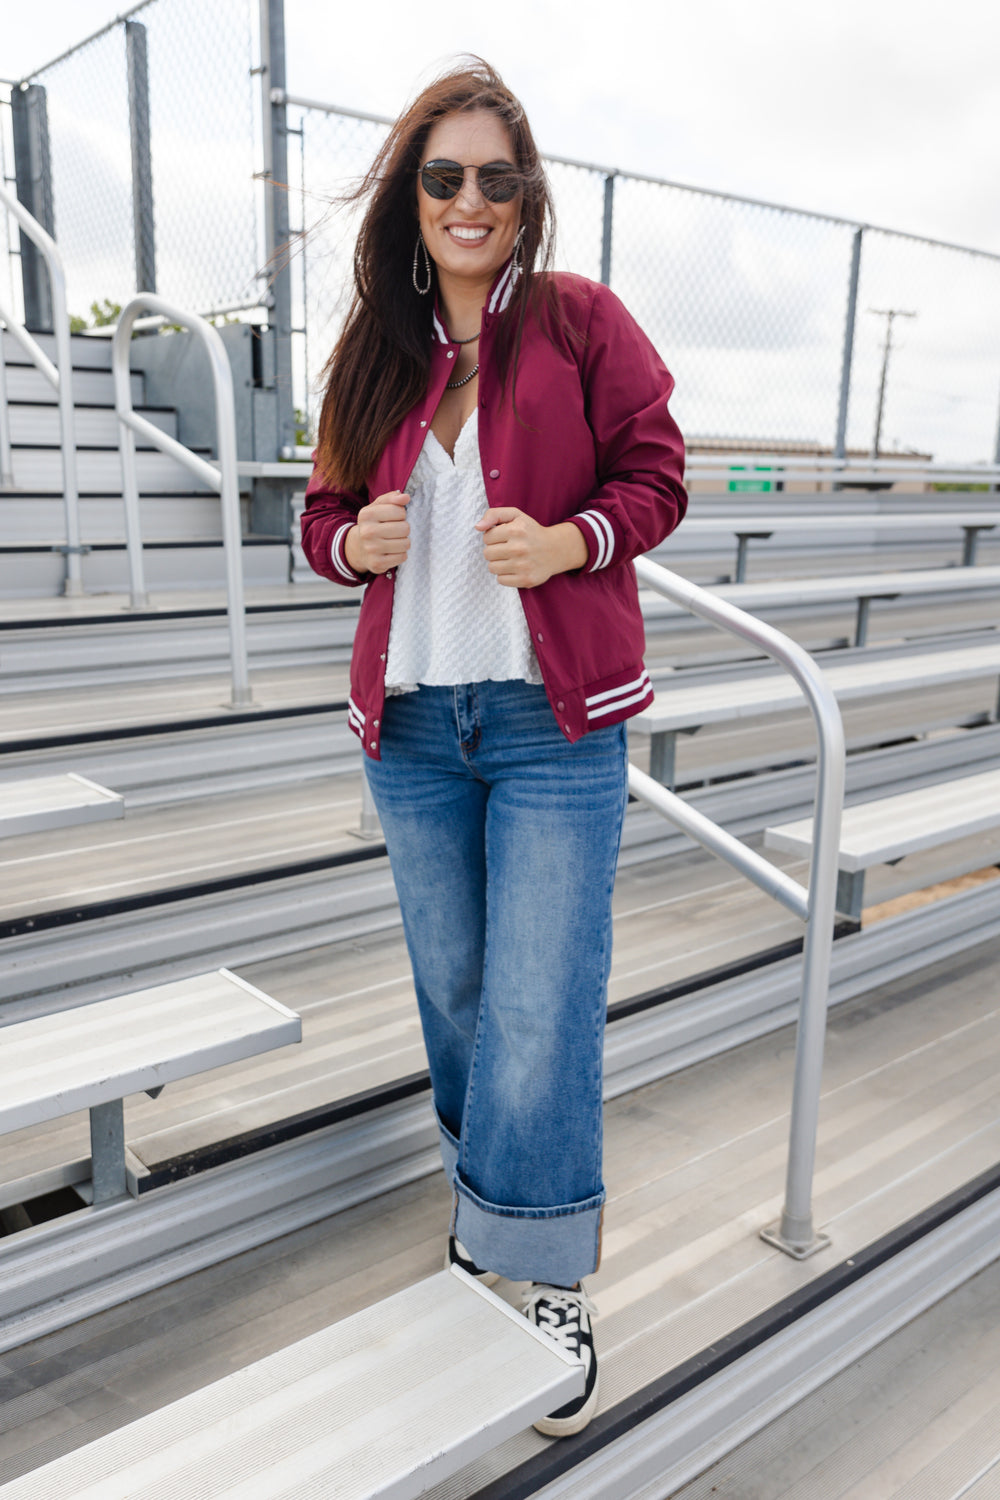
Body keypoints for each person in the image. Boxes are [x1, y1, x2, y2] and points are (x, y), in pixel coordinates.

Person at [300, 58, 686, 1438]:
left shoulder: (580, 324)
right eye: (444, 176)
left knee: (541, 1001)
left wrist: (573, 540)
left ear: (527, 200)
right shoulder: (374, 351)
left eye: (495, 179)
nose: (470, 200)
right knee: (459, 995)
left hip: (546, 726)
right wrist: (351, 542)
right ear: (414, 198)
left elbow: (658, 473)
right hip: (411, 726)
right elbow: (319, 514)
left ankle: (542, 1265)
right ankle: (492, 1207)